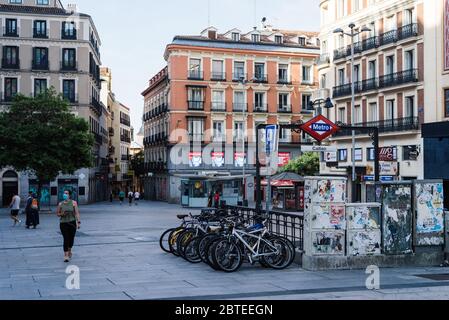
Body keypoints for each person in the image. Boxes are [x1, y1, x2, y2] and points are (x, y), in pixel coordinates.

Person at [57, 190, 81, 263]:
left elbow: (77, 213)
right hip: (63, 223)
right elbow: (58, 214)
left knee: (71, 239)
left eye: (66, 193)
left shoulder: (74, 203)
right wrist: (62, 214)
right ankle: (66, 255)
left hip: (72, 223)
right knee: (66, 238)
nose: (65, 194)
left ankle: (70, 249)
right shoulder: (60, 204)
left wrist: (78, 222)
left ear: (69, 195)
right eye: (64, 193)